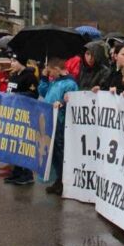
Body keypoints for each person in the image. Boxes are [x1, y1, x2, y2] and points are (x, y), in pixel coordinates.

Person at [39, 56, 79, 195]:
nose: (49, 74)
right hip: (51, 119)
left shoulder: (69, 83)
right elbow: (44, 93)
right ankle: (58, 179)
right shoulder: (55, 81)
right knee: (54, 152)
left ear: (57, 69)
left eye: (50, 71)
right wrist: (44, 78)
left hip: (61, 121)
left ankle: (64, 181)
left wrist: (62, 102)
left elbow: (72, 98)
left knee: (61, 152)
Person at [4, 52, 39, 185]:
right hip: (12, 113)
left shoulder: (30, 77)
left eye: (14, 61)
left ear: (21, 63)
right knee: (13, 144)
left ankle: (27, 173)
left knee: (23, 144)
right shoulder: (13, 76)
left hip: (24, 114)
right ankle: (17, 171)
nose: (12, 64)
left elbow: (34, 94)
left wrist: (18, 95)